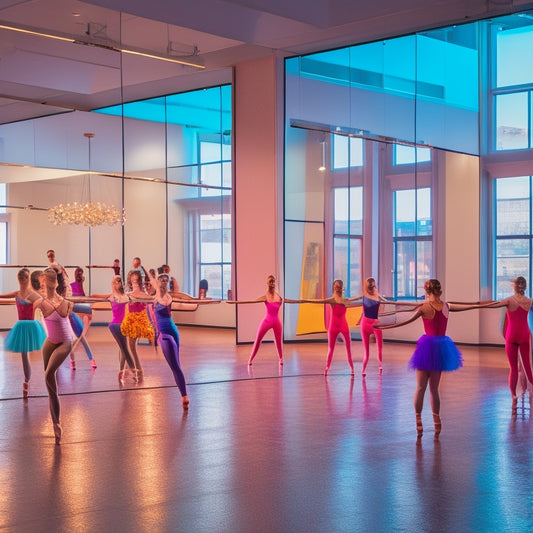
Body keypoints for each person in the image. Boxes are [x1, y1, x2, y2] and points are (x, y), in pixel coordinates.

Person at [376, 279, 481, 439]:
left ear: (427, 291)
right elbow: (470, 306)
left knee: (420, 388)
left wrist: (384, 326)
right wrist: (481, 304)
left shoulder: (425, 307)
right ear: (439, 290)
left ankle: (418, 420)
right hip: (440, 351)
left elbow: (405, 320)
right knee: (434, 390)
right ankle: (437, 422)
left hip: (426, 349)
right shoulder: (446, 306)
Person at [34, 267, 74, 444]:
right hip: (50, 342)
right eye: (43, 282)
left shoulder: (65, 302)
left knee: (49, 374)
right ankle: (55, 422)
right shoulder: (41, 301)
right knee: (50, 386)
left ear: (55, 283)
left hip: (65, 343)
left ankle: (57, 424)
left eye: (48, 281)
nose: (45, 285)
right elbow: (24, 303)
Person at [482, 276, 533, 413]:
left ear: (514, 286)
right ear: (525, 286)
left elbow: (494, 305)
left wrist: (479, 304)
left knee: (513, 368)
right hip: (524, 335)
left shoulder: (509, 300)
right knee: (527, 366)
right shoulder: (530, 301)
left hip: (512, 336)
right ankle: (531, 392)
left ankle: (514, 397)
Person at [287, 279, 356, 376]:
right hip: (333, 326)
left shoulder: (345, 301)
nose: (337, 289)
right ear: (333, 288)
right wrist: (303, 300)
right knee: (331, 349)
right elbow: (318, 301)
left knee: (348, 347)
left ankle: (352, 368)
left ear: (342, 288)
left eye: (339, 287)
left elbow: (357, 301)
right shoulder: (332, 300)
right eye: (336, 287)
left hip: (343, 325)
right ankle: (327, 367)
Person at [147, 269, 189, 409]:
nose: (162, 283)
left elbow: (153, 281)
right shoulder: (161, 298)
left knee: (176, 366)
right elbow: (153, 280)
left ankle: (184, 397)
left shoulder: (163, 297)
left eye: (164, 281)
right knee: (177, 366)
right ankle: (184, 396)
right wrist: (146, 270)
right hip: (169, 331)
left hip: (168, 333)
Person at [0, 268, 46, 398]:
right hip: (21, 326)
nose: (21, 281)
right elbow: (2, 295)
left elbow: (41, 300)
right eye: (20, 279)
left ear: (27, 280)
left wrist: (37, 303)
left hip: (31, 325)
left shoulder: (32, 294)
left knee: (38, 352)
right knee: (24, 355)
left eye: (23, 279)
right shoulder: (17, 293)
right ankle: (26, 381)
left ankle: (40, 376)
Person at [228, 275, 284, 365]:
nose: (272, 283)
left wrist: (303, 301)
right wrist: (235, 302)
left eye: (273, 281)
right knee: (258, 339)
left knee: (278, 341)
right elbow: (252, 301)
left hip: (277, 322)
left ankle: (281, 359)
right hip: (267, 321)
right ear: (267, 283)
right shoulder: (265, 297)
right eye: (270, 281)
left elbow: (292, 301)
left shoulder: (279, 298)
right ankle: (250, 359)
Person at [93, 276, 136, 383]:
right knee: (125, 349)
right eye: (113, 282)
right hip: (118, 326)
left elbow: (96, 296)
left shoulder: (119, 297)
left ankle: (124, 371)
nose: (113, 285)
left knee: (123, 349)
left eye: (114, 283)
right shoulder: (117, 296)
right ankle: (133, 372)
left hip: (119, 326)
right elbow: (95, 296)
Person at [120, 269, 154, 381]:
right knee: (126, 348)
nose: (134, 281)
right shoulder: (128, 294)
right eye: (132, 279)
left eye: (136, 279)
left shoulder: (144, 295)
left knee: (131, 348)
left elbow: (152, 300)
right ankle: (127, 370)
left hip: (138, 322)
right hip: (129, 321)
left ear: (139, 281)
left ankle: (137, 371)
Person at [357, 277, 386, 376]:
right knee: (367, 350)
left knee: (379, 347)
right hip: (366, 324)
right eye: (370, 285)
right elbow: (359, 306)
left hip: (374, 323)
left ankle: (380, 365)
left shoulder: (377, 295)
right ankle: (364, 369)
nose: (371, 286)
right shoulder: (365, 295)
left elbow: (386, 301)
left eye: (372, 285)